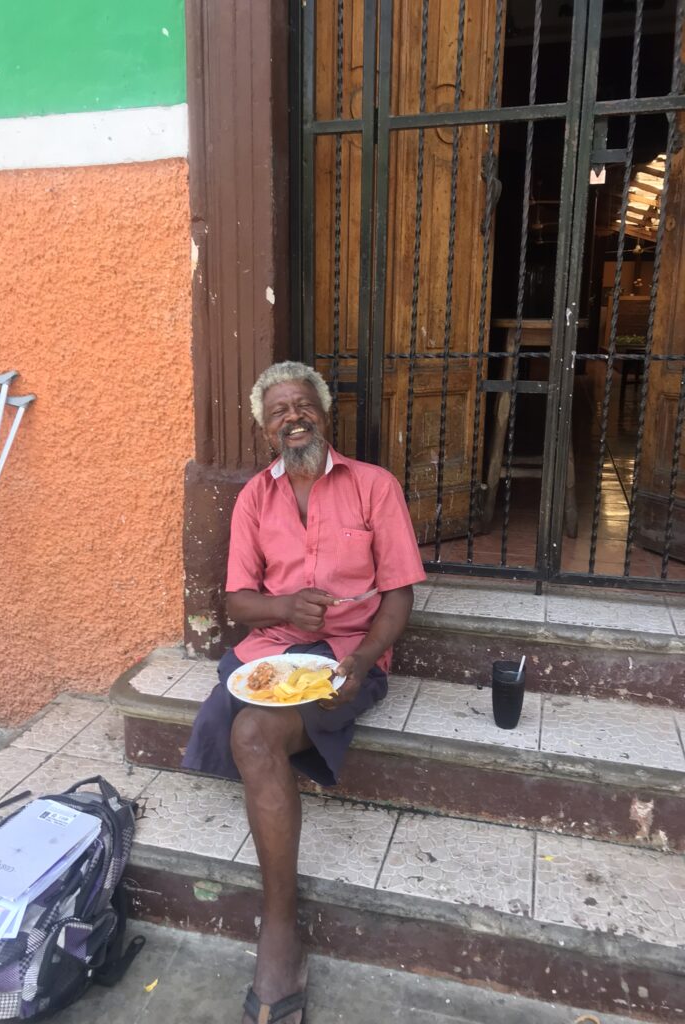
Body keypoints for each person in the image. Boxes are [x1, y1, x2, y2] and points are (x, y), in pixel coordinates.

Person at [182, 361, 425, 1024]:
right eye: (279, 411)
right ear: (267, 431)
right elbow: (236, 600)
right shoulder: (255, 498)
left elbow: (399, 593)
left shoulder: (374, 486)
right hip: (270, 654)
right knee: (249, 729)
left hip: (349, 656)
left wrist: (365, 659)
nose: (293, 417)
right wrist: (285, 605)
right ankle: (281, 924)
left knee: (252, 737)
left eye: (303, 405)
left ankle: (280, 931)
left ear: (324, 414)